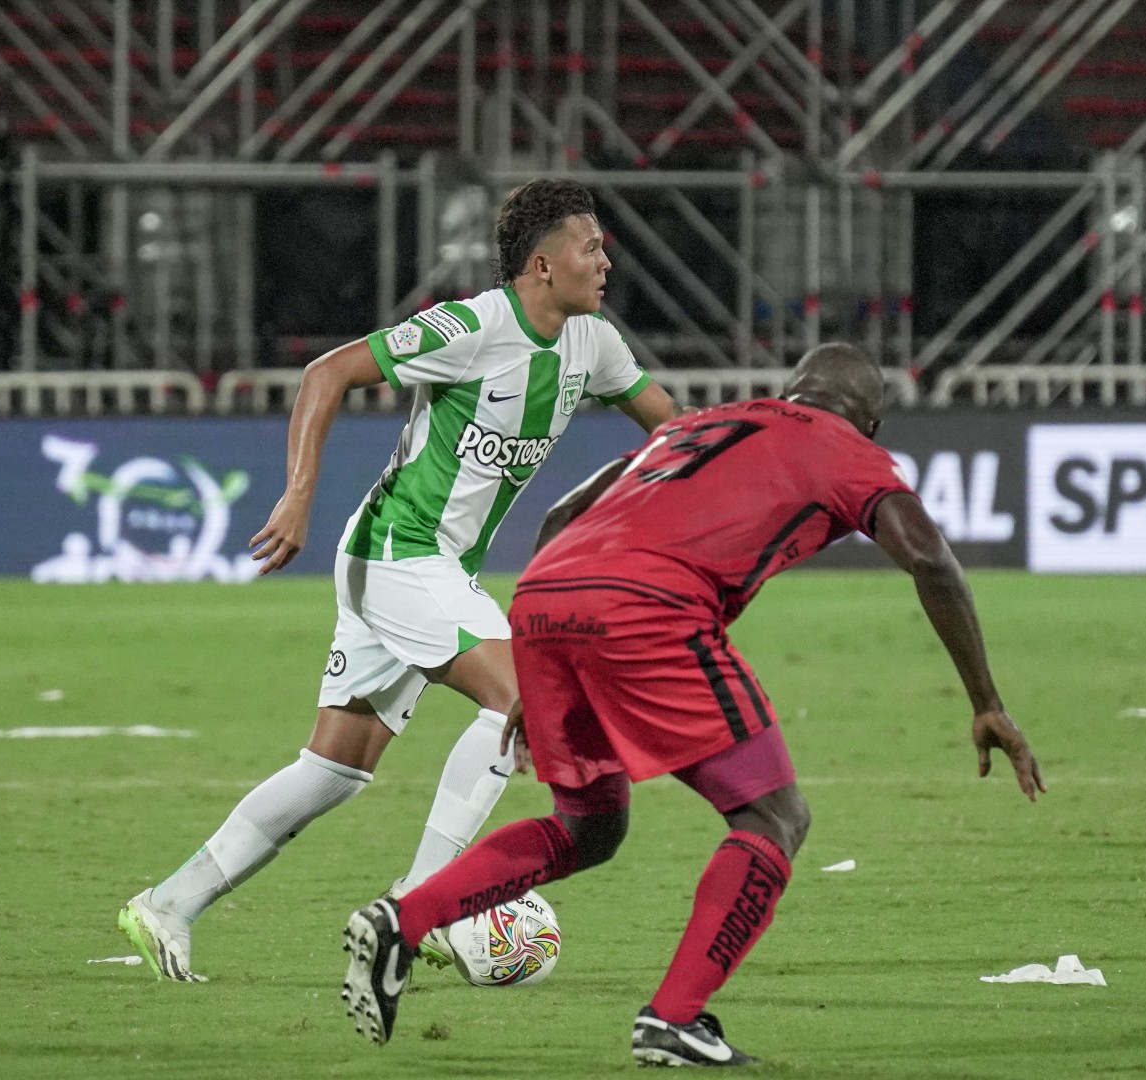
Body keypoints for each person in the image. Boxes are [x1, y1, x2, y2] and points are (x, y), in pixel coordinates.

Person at [336, 342, 1045, 1061]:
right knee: (775, 814)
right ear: (870, 423)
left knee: (591, 825)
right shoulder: (846, 449)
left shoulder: (699, 424)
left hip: (550, 596)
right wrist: (986, 700)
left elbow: (562, 514)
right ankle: (673, 1019)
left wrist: (539, 654)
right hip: (648, 608)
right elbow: (929, 556)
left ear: (790, 389)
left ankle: (405, 918)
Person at [116, 179, 680, 982]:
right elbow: (328, 372)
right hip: (396, 554)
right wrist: (298, 495)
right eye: (591, 246)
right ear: (543, 264)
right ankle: (425, 902)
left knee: (333, 771)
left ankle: (169, 903)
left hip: (432, 569)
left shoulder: (594, 343)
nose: (606, 260)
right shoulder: (475, 325)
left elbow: (671, 428)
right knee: (528, 701)